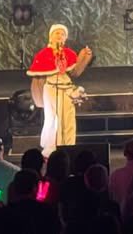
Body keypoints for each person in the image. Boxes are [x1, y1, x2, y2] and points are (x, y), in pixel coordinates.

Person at [25, 23, 92, 156]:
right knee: (53, 119)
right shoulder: (43, 54)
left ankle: (68, 147)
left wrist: (84, 57)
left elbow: (74, 72)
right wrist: (38, 95)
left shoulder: (68, 53)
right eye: (57, 33)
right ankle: (51, 149)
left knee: (68, 119)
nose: (59, 36)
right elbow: (37, 77)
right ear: (51, 36)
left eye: (62, 34)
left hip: (66, 89)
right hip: (51, 88)